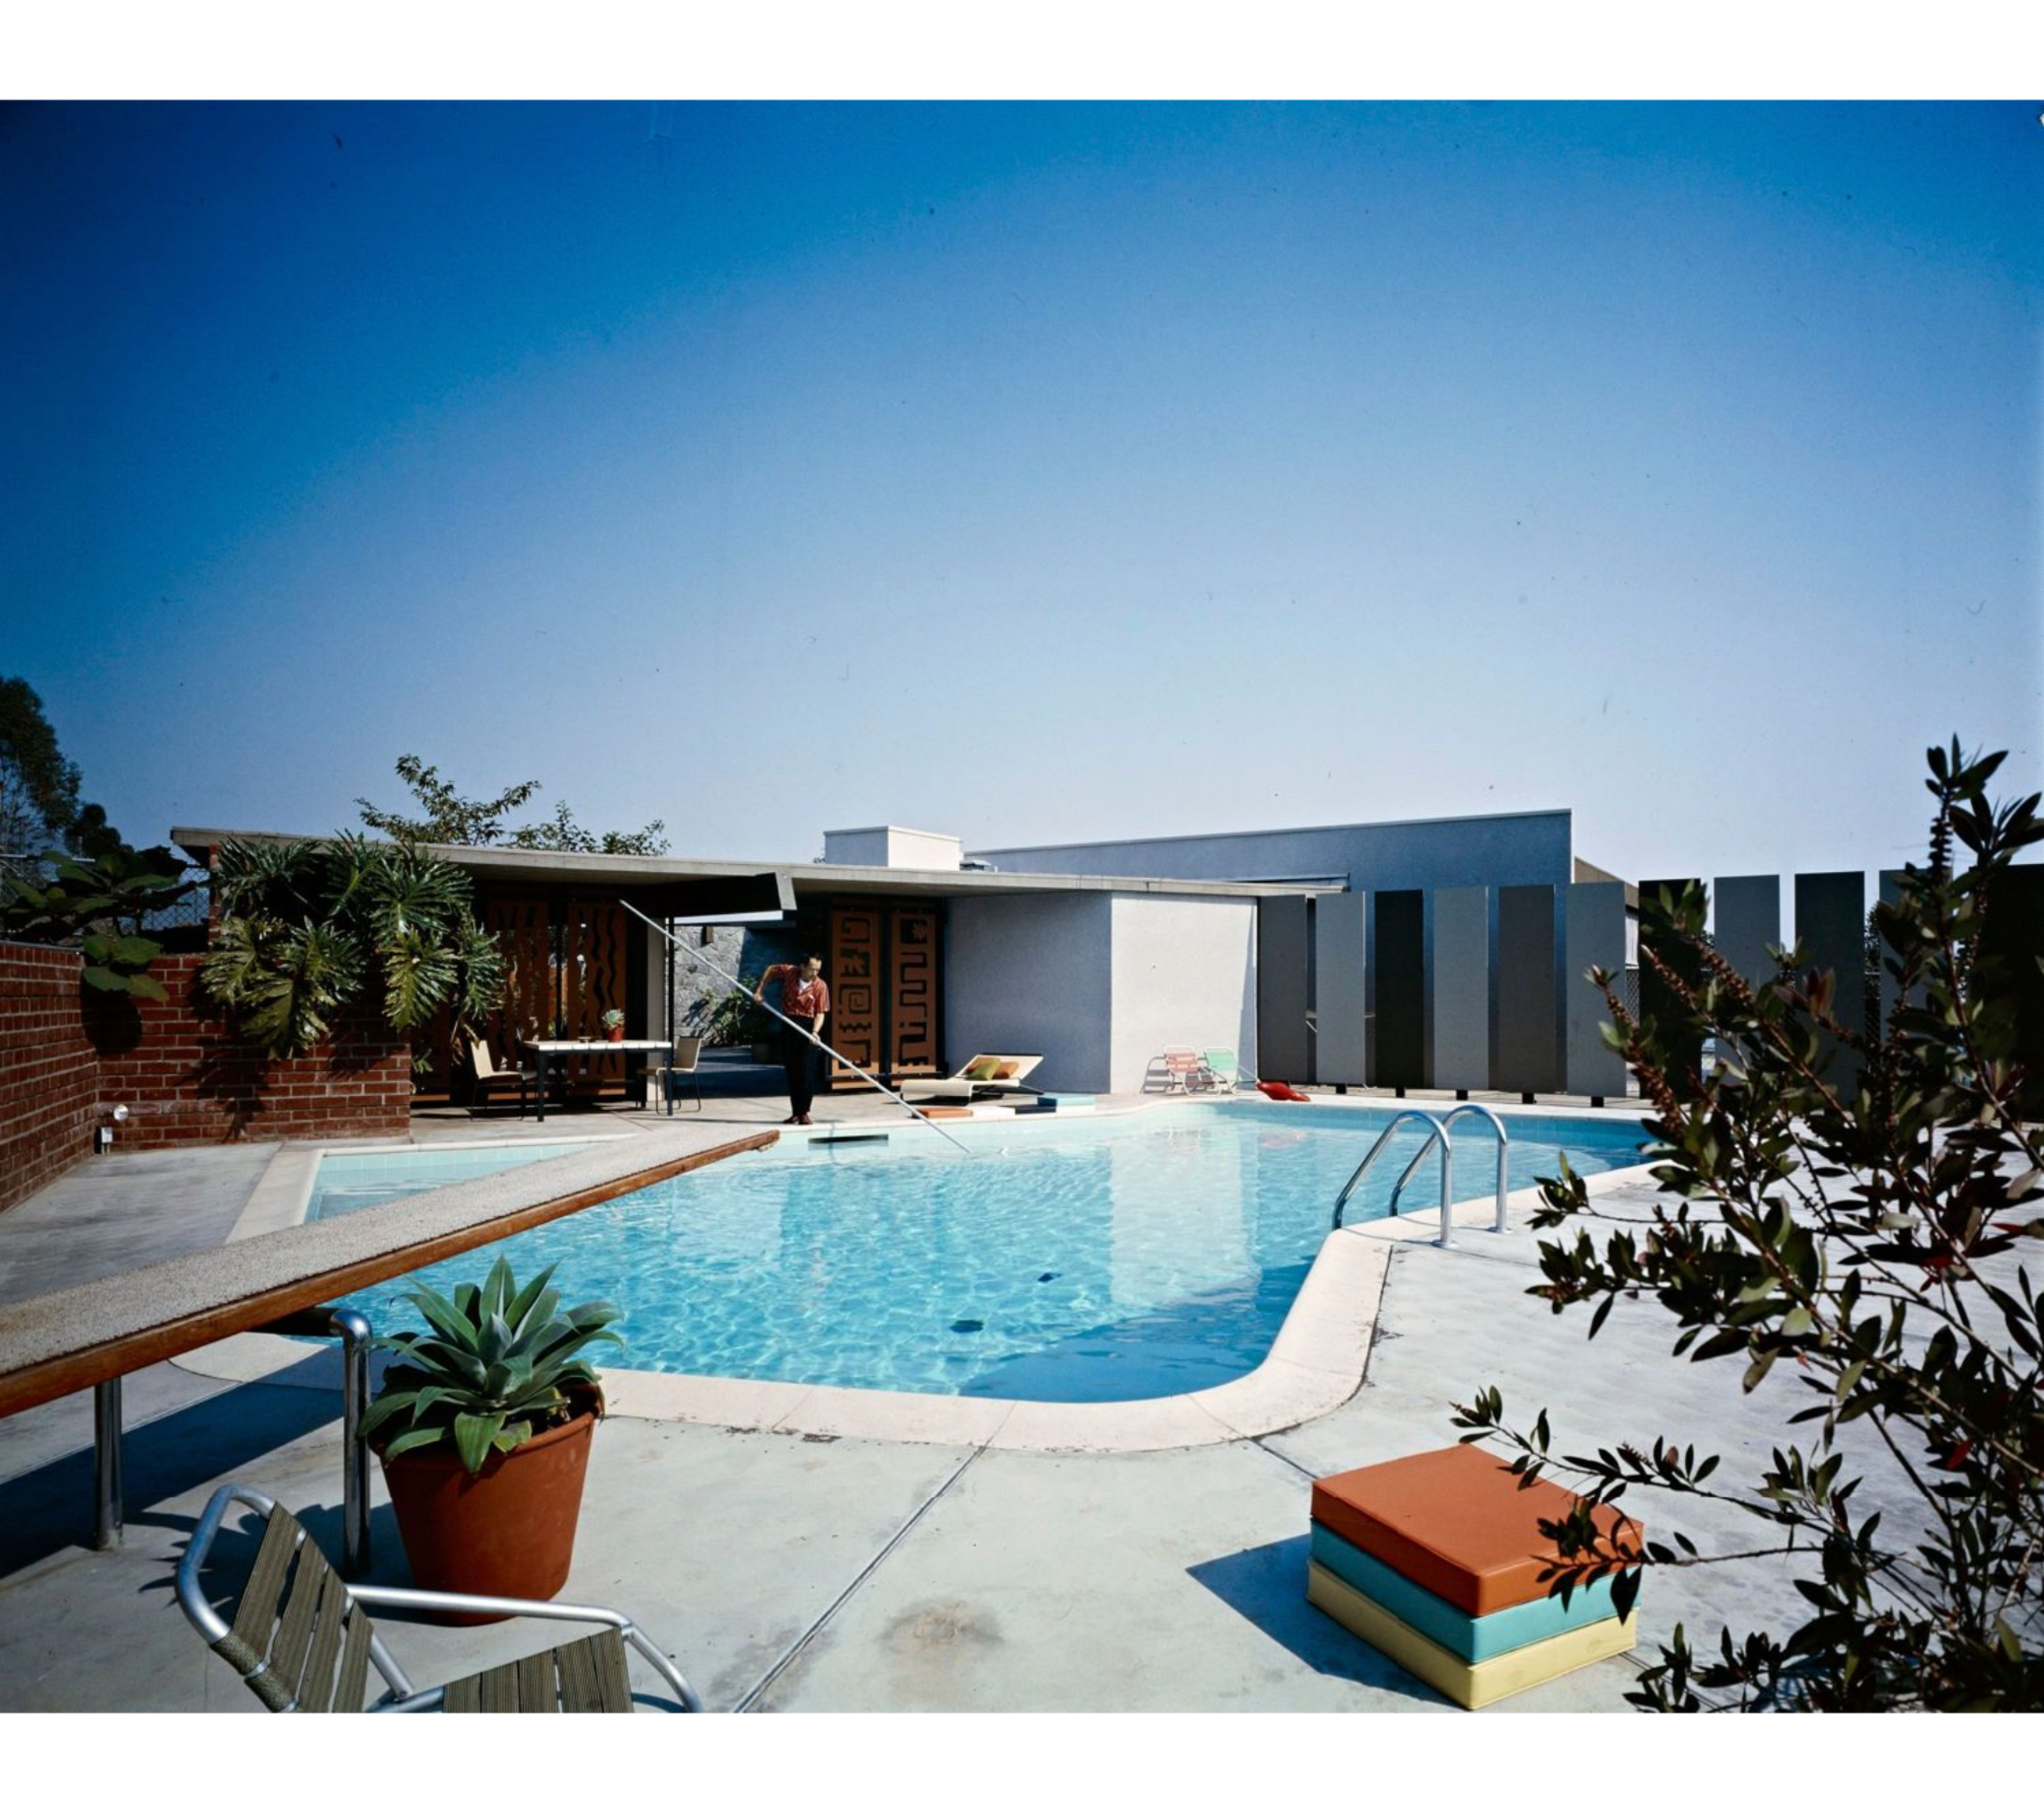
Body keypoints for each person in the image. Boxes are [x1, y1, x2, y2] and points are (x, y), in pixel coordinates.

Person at [754, 954, 830, 1125]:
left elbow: (820, 1013)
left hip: (809, 1027)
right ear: (802, 966)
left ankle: (804, 1113)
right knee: (793, 1070)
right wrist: (760, 991)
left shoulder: (821, 986)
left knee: (806, 1072)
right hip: (789, 1023)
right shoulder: (790, 972)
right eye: (812, 969)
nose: (815, 973)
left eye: (818, 970)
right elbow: (771, 970)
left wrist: (815, 1032)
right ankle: (796, 1112)